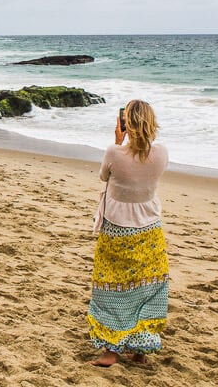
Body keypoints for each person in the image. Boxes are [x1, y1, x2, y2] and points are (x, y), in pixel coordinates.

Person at [87, 100, 169, 367]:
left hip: (116, 227)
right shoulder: (162, 153)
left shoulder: (114, 152)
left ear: (127, 123)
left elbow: (103, 176)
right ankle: (140, 350)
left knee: (111, 286)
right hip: (149, 228)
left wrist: (118, 141)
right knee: (147, 287)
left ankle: (110, 351)